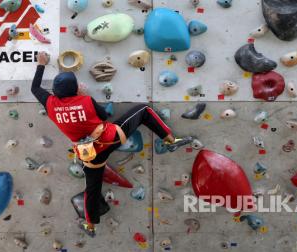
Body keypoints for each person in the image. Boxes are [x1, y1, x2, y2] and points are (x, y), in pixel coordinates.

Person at [31, 52, 192, 237]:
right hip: (110, 138)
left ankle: (90, 225)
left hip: (90, 155)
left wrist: (41, 65)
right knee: (144, 110)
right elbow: (103, 116)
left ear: (55, 91)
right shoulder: (85, 100)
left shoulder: (50, 104)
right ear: (75, 88)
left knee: (92, 189)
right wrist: (83, 95)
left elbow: (35, 88)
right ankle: (171, 141)